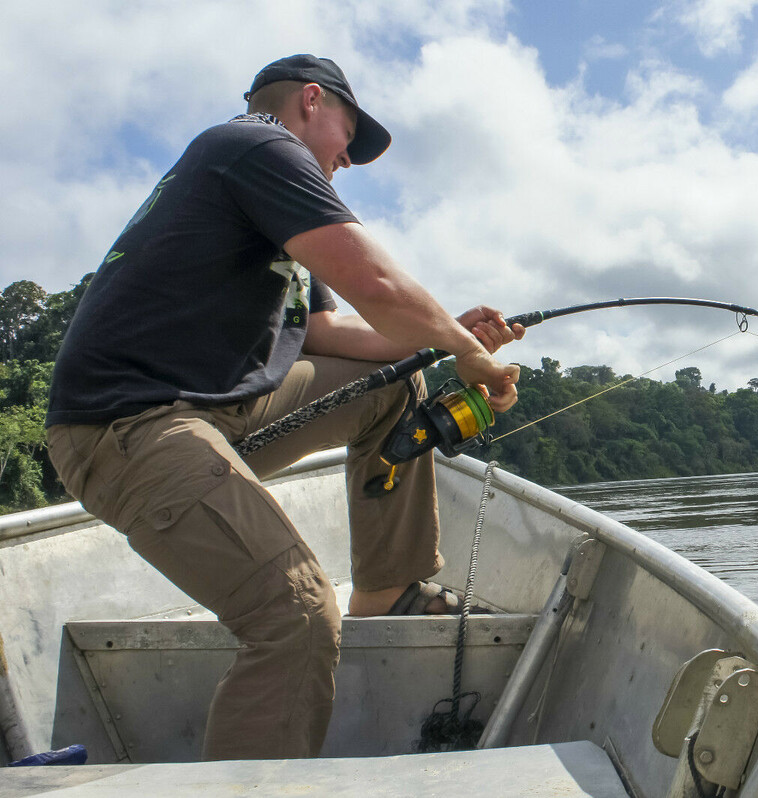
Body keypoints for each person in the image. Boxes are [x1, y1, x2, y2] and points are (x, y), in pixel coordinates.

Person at [45, 54, 522, 761]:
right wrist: (466, 353)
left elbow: (328, 331)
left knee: (398, 377)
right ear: (309, 102)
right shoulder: (256, 145)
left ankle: (387, 588)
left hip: (216, 410)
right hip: (129, 427)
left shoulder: (266, 190)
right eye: (348, 135)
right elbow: (379, 284)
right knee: (296, 616)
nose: (348, 161)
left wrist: (441, 338)